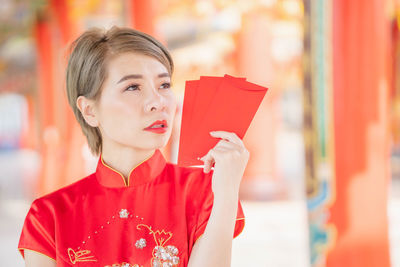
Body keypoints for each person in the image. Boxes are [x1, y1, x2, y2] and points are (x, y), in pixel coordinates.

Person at [18, 25, 248, 267]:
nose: (157, 102)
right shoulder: (48, 217)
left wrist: (227, 191)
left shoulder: (204, 191)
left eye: (164, 85)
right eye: (133, 87)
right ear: (89, 110)